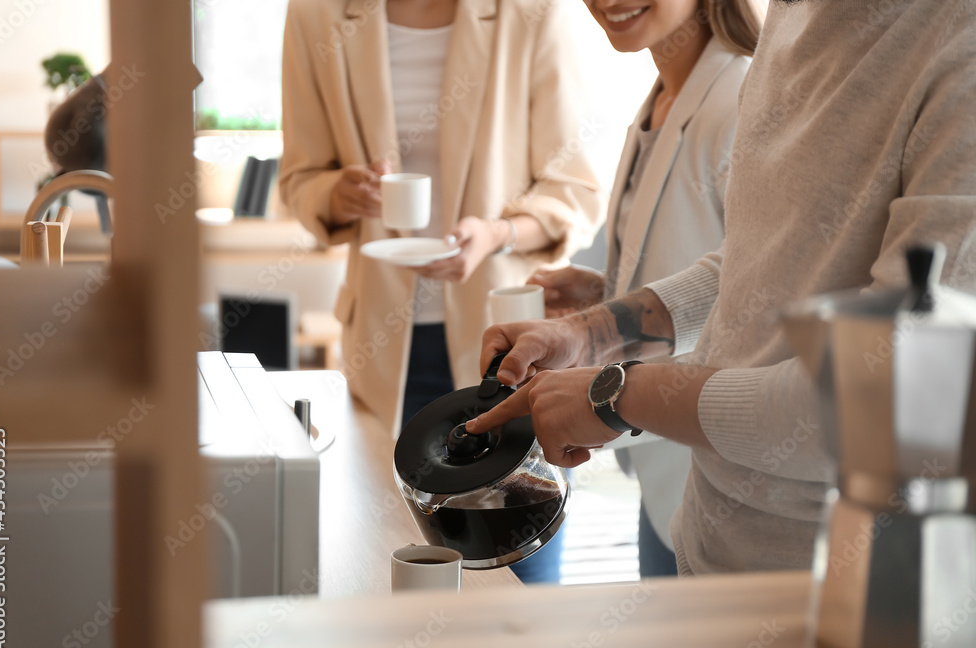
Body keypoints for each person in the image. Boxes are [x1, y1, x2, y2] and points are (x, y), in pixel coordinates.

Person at [466, 0, 976, 576]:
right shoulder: (791, 15)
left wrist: (616, 394)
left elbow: (887, 398)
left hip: (834, 576)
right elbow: (761, 261)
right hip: (708, 539)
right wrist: (593, 333)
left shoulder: (959, 44)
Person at [279, 0, 604, 583]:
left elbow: (573, 190)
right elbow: (300, 179)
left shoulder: (532, 13)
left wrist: (497, 234)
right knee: (391, 562)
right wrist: (336, 193)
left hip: (507, 350)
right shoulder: (316, 17)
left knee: (520, 562)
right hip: (382, 355)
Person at [528, 0, 761, 576]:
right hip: (660, 478)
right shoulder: (661, 98)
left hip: (712, 476)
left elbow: (759, 293)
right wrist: (604, 292)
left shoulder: (742, 98)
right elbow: (701, 257)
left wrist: (598, 339)